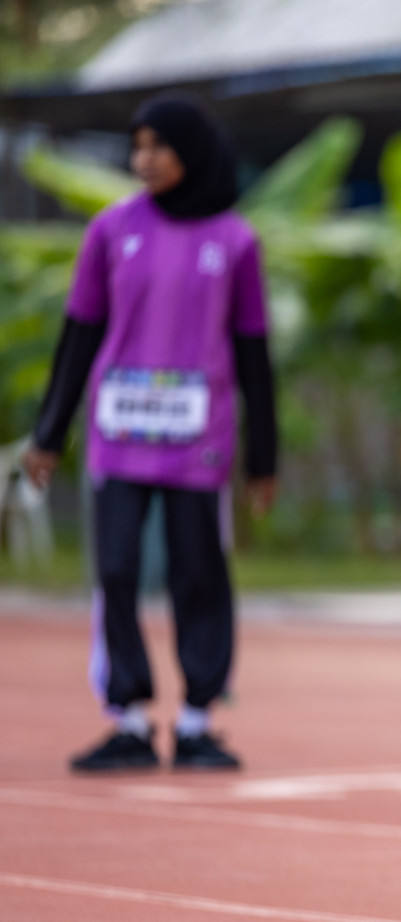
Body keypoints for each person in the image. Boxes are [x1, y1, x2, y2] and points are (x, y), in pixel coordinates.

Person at [23, 92, 277, 773]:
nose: (144, 159)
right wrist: (48, 434)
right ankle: (129, 718)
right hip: (119, 437)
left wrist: (265, 455)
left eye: (157, 146)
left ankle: (197, 720)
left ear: (189, 152)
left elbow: (253, 351)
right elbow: (79, 339)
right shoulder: (109, 232)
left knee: (200, 574)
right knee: (115, 571)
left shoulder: (234, 241)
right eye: (136, 146)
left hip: (200, 443)